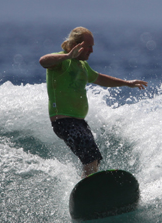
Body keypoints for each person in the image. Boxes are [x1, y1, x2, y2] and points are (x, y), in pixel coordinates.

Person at [39, 27, 147, 177]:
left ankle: (86, 186)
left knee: (94, 158)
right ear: (76, 45)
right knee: (89, 157)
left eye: (92, 46)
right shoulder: (61, 60)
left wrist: (126, 83)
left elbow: (100, 78)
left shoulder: (82, 66)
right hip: (64, 122)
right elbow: (43, 61)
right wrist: (68, 56)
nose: (91, 51)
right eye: (88, 46)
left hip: (79, 122)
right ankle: (88, 190)